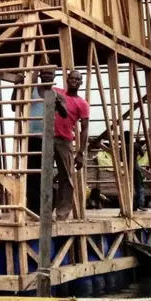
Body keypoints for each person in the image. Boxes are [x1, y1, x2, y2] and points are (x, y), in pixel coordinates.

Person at [52, 70, 89, 220]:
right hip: (47, 138)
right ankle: (42, 210)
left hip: (64, 140)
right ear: (67, 80)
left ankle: (62, 213)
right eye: (72, 78)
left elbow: (85, 129)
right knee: (43, 175)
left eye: (77, 79)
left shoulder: (82, 103)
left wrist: (81, 152)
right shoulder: (57, 92)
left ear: (81, 83)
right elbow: (41, 88)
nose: (74, 81)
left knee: (66, 177)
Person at [26, 67, 55, 216]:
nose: (47, 76)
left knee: (46, 174)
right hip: (32, 138)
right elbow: (14, 104)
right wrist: (36, 68)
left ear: (54, 76)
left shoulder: (55, 94)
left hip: (48, 139)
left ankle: (45, 208)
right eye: (44, 73)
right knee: (32, 175)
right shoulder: (33, 91)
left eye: (50, 74)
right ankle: (33, 209)